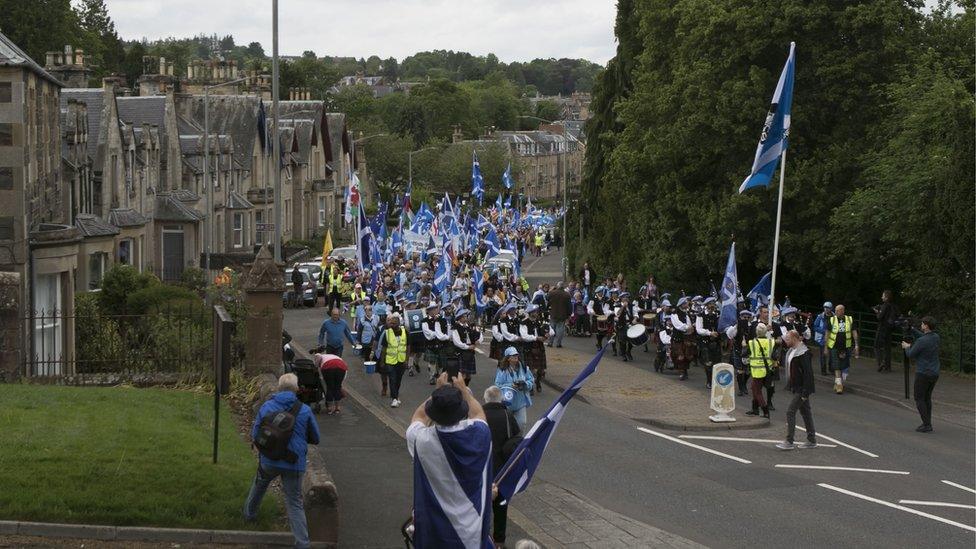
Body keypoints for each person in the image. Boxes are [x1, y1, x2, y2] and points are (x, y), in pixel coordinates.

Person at [406, 374, 492, 548]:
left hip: (433, 534)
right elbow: (478, 413)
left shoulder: (421, 440)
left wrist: (439, 392)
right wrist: (462, 390)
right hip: (471, 535)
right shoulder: (480, 435)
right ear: (461, 410)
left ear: (434, 412)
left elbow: (419, 416)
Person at [244, 373, 321, 549]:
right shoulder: (305, 410)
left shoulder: (267, 406)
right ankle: (302, 543)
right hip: (294, 463)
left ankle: (249, 515)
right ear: (296, 389)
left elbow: (256, 433)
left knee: (259, 484)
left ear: (279, 388)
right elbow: (316, 437)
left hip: (269, 459)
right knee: (294, 501)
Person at [483, 385, 521, 549]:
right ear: (500, 399)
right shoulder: (507, 415)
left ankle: (481, 538)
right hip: (501, 471)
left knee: (480, 507)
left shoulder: (478, 415)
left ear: (485, 399)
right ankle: (499, 542)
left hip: (480, 469)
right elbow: (515, 438)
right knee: (500, 507)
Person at [776, 330, 817, 450]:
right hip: (797, 387)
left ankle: (789, 441)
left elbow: (808, 374)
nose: (785, 341)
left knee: (790, 412)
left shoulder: (803, 353)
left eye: (788, 339)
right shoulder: (792, 351)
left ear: (794, 338)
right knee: (805, 412)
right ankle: (811, 439)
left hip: (802, 389)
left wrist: (805, 392)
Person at [902, 316, 940, 433]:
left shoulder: (921, 341)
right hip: (934, 372)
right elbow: (924, 337)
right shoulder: (935, 337)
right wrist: (912, 329)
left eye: (923, 324)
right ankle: (928, 421)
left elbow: (911, 354)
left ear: (926, 326)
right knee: (927, 398)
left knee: (919, 398)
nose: (921, 325)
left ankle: (927, 424)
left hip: (923, 373)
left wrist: (907, 347)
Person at [494, 346, 536, 429]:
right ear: (508, 358)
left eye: (516, 355)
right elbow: (497, 384)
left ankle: (519, 441)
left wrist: (525, 384)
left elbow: (531, 380)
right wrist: (510, 386)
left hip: (520, 402)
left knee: (522, 423)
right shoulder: (502, 370)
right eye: (513, 355)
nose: (516, 357)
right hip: (507, 402)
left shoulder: (524, 368)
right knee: (506, 426)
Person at [375, 313, 410, 408]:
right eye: (391, 323)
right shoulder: (387, 332)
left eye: (394, 323)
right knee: (392, 379)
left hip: (401, 361)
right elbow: (384, 349)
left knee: (398, 380)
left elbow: (408, 346)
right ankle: (394, 399)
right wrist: (382, 362)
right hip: (390, 361)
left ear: (399, 323)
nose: (392, 325)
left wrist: (407, 360)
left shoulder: (405, 332)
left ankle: (396, 395)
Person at [826, 304, 859, 394]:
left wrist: (856, 346)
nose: (836, 312)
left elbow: (854, 332)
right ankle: (839, 385)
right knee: (837, 366)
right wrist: (826, 347)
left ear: (843, 311)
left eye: (838, 310)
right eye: (835, 310)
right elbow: (827, 333)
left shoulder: (849, 319)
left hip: (846, 346)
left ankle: (837, 382)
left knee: (844, 365)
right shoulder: (832, 320)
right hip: (834, 346)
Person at [743, 323, 772, 418]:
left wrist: (744, 346)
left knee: (756, 391)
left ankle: (765, 411)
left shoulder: (752, 343)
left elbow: (745, 354)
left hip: (757, 370)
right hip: (767, 370)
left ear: (756, 332)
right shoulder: (770, 342)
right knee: (754, 388)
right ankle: (755, 409)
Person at [519, 304, 549, 393]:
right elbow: (524, 336)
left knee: (541, 369)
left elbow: (551, 331)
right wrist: (536, 338)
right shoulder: (524, 323)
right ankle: (531, 386)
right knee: (530, 369)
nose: (536, 313)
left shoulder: (540, 322)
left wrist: (547, 335)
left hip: (539, 346)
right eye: (534, 312)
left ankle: (538, 382)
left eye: (536, 312)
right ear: (530, 313)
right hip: (529, 347)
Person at [450, 309, 482, 385]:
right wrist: (467, 347)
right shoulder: (455, 327)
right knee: (462, 375)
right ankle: (461, 390)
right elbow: (456, 342)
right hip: (461, 352)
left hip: (470, 353)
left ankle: (465, 387)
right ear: (459, 318)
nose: (466, 318)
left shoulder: (471, 326)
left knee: (468, 376)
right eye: (464, 316)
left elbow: (479, 335)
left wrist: (479, 341)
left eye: (466, 316)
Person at [873, 290, 897, 372]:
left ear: (886, 297)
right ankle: (888, 366)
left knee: (877, 346)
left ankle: (881, 363)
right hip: (890, 329)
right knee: (887, 347)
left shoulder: (885, 306)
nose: (881, 297)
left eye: (883, 296)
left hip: (882, 328)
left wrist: (877, 312)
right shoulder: (893, 306)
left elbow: (880, 317)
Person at [547, 282, 571, 348]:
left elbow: (547, 301)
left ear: (557, 286)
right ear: (563, 287)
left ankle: (550, 343)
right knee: (560, 329)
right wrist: (569, 314)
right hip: (562, 314)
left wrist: (547, 308)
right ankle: (558, 343)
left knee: (552, 329)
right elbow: (569, 306)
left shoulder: (552, 293)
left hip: (553, 313)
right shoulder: (567, 295)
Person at [812, 302, 834, 375]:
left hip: (832, 338)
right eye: (825, 307)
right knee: (823, 355)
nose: (826, 309)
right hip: (822, 338)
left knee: (832, 355)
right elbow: (815, 327)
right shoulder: (820, 316)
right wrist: (824, 331)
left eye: (827, 308)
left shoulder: (834, 316)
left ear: (831, 308)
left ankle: (831, 369)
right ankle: (823, 370)